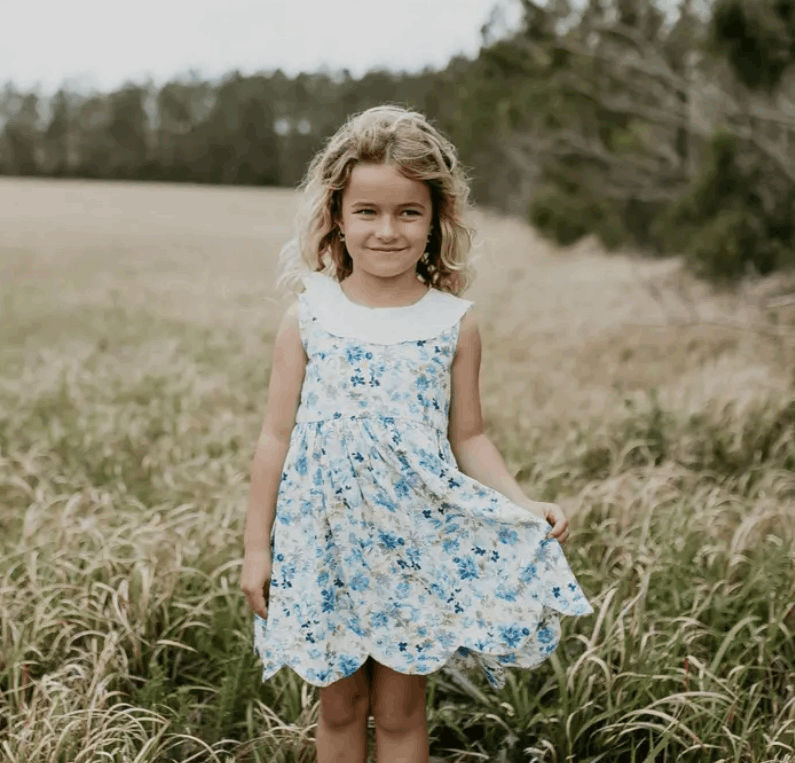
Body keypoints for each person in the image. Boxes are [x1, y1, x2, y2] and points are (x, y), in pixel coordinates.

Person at [241, 105, 593, 763]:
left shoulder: (452, 321)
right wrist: (255, 548)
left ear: (435, 223)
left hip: (412, 547)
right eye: (367, 211)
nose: (386, 229)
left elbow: (471, 437)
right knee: (338, 707)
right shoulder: (309, 315)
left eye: (408, 212)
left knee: (402, 714)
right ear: (337, 218)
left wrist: (521, 502)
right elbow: (273, 437)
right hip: (322, 546)